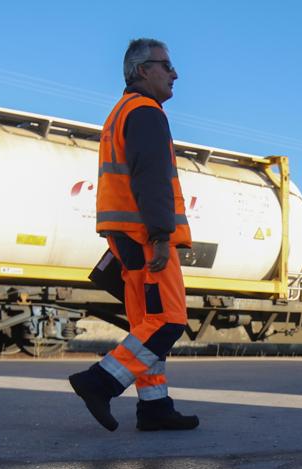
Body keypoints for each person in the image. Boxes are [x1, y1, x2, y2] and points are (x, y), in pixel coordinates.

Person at [70, 38, 199, 431]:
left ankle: (154, 407)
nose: (175, 73)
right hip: (146, 237)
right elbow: (152, 178)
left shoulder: (121, 113)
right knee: (168, 322)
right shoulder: (146, 113)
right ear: (143, 71)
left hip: (125, 236)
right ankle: (100, 382)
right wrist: (161, 234)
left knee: (148, 322)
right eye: (166, 65)